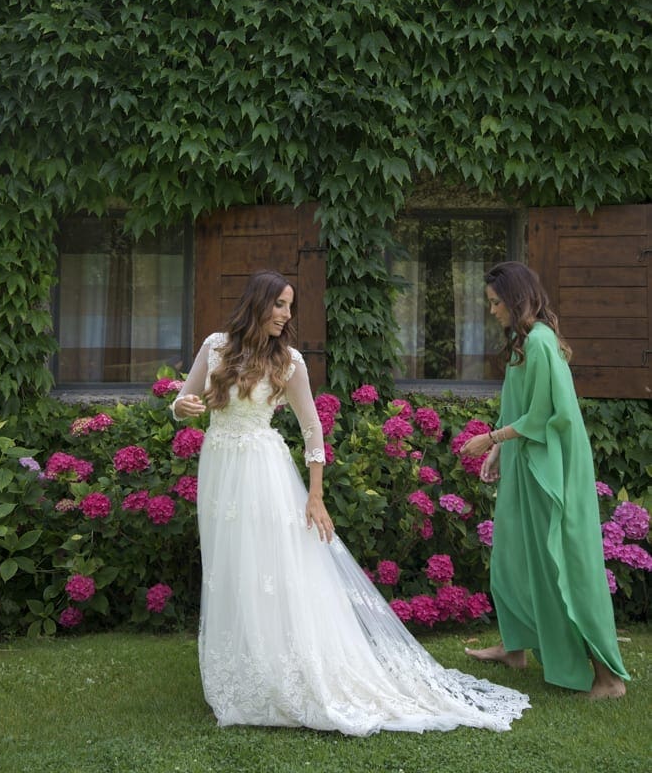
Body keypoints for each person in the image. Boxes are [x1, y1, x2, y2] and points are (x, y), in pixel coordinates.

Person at [171, 269, 530, 735]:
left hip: (263, 469)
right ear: (257, 303)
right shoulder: (215, 346)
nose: (285, 315)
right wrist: (182, 408)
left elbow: (312, 428)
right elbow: (183, 400)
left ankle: (284, 669)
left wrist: (316, 494)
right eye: (278, 304)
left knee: (269, 566)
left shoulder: (290, 361)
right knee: (230, 564)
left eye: (289, 306)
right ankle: (243, 668)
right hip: (218, 466)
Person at [461, 261, 629, 700]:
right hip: (524, 459)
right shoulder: (523, 342)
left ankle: (607, 678)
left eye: (496, 303)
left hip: (549, 468)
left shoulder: (539, 343)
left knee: (563, 565)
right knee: (513, 554)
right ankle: (514, 647)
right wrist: (501, 449)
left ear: (514, 300)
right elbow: (519, 404)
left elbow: (543, 416)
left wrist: (490, 438)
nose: (492, 311)